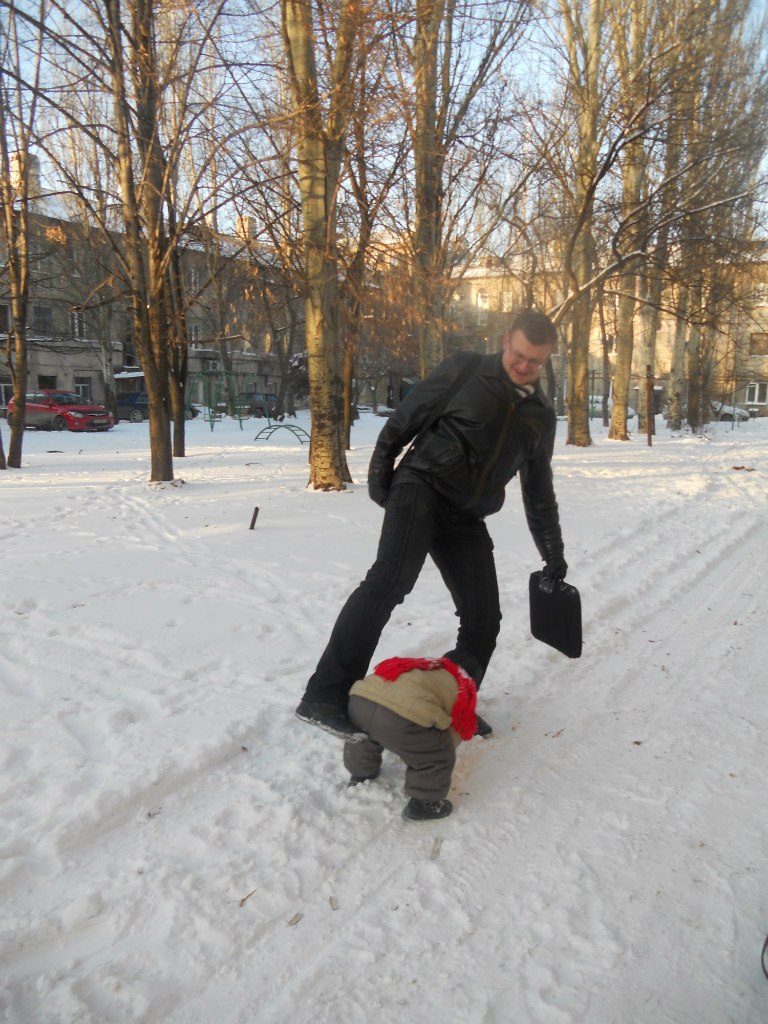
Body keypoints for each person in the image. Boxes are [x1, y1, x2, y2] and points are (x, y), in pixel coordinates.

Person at [296, 308, 567, 739]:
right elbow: (405, 421)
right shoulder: (464, 370)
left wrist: (553, 553)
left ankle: (451, 698)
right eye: (518, 354)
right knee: (388, 582)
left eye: (534, 361)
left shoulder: (539, 417)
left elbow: (538, 491)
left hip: (466, 514)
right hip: (421, 486)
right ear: (505, 342)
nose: (523, 366)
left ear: (547, 359)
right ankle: (323, 695)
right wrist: (382, 480)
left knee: (484, 617)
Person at [343, 656, 478, 821]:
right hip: (399, 718)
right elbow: (454, 730)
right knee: (437, 755)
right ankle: (424, 804)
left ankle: (361, 773)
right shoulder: (464, 687)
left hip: (360, 699)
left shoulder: (426, 665)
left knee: (362, 737)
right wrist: (439, 747)